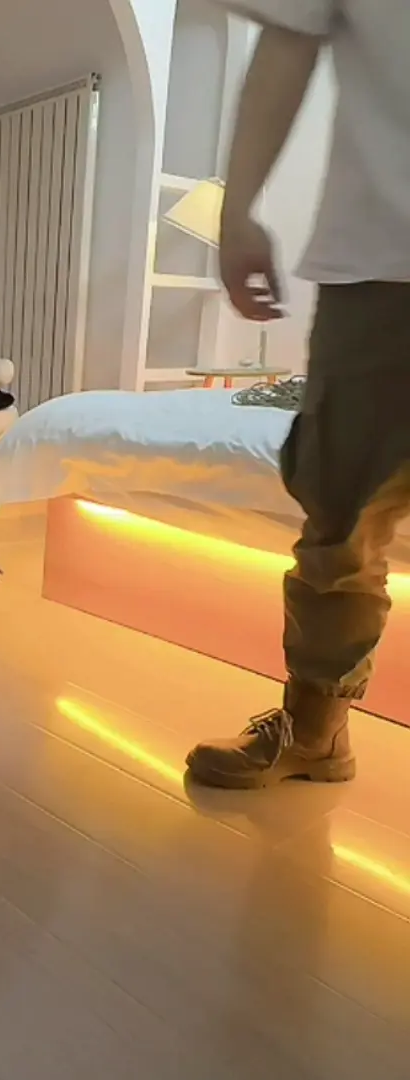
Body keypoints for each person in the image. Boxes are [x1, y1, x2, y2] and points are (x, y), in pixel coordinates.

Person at [186, 1, 410, 789]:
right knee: (341, 521)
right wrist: (238, 206)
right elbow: (288, 36)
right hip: (379, 264)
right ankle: (316, 732)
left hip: (372, 264)